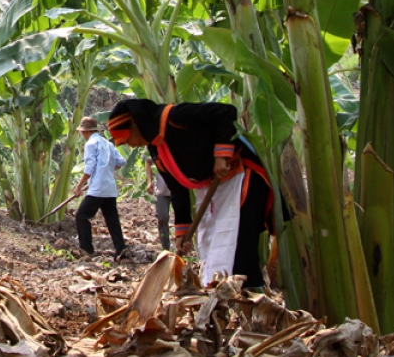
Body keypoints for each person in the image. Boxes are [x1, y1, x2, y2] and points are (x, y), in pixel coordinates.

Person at [107, 99, 273, 287]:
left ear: (136, 123)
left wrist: (221, 155)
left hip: (242, 176)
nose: (129, 145)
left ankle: (253, 304)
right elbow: (177, 188)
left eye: (127, 138)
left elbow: (226, 112)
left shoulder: (177, 117)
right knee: (212, 245)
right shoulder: (157, 149)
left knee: (241, 246)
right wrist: (182, 232)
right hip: (215, 188)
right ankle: (224, 301)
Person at [73, 116, 128, 259]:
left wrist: (79, 186)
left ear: (85, 132)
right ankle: (120, 248)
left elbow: (90, 167)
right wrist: (108, 170)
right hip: (109, 188)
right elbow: (121, 161)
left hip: (97, 188)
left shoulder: (91, 144)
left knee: (81, 216)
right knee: (112, 219)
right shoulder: (107, 143)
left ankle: (87, 249)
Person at [145, 157, 172, 251]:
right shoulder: (153, 143)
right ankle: (166, 247)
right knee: (162, 217)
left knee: (183, 217)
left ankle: (185, 245)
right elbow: (148, 161)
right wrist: (149, 181)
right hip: (161, 189)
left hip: (179, 187)